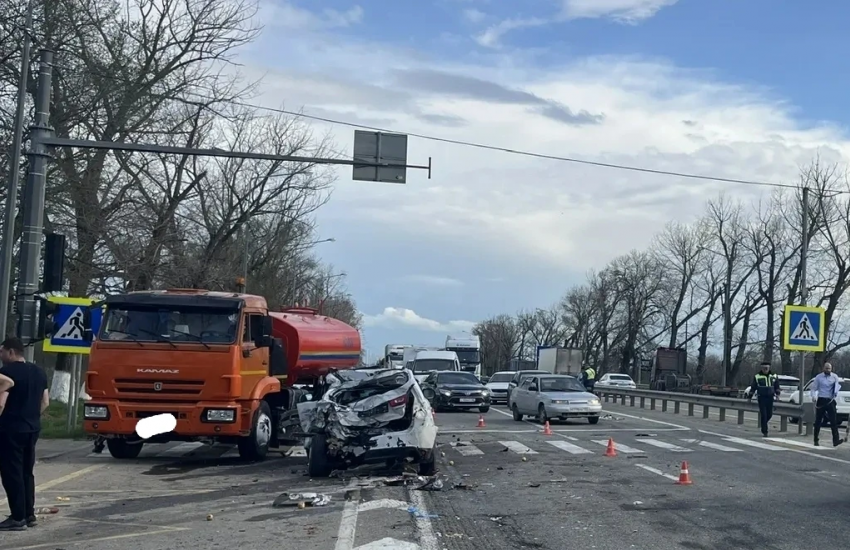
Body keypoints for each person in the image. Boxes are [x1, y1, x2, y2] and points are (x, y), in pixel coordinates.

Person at [0, 337, 49, 531]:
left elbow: (1, 403)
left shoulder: (6, 373)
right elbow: (45, 402)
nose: (1, 355)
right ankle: (29, 514)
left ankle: (17, 517)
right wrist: (32, 417)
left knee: (12, 473)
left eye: (2, 351)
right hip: (32, 428)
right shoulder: (39, 372)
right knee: (27, 472)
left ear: (11, 352)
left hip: (10, 429)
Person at [810, 362, 844, 448]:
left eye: (829, 368)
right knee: (818, 421)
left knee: (833, 421)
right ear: (823, 368)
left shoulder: (834, 377)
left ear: (831, 369)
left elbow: (836, 387)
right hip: (821, 399)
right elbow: (813, 388)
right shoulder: (819, 377)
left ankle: (836, 440)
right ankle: (816, 439)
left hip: (830, 400)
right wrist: (813, 396)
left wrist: (836, 392)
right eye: (826, 368)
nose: (828, 370)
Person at [746, 362, 780, 437]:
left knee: (769, 414)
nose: (765, 369)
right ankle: (765, 431)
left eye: (767, 368)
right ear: (761, 368)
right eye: (764, 368)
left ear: (769, 368)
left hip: (770, 397)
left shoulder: (774, 376)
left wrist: (777, 395)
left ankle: (763, 424)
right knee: (764, 415)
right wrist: (749, 397)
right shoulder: (757, 376)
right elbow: (753, 387)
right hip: (761, 397)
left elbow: (777, 386)